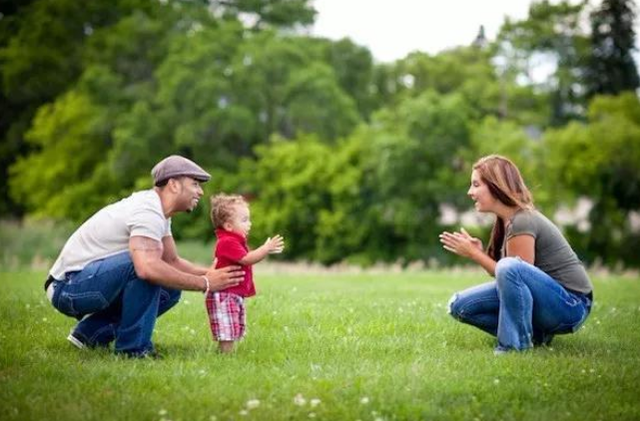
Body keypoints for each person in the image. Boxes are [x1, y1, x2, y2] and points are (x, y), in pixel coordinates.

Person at [45, 155, 245, 358]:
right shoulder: (148, 211)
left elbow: (172, 261)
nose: (200, 191)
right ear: (174, 185)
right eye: (194, 184)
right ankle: (134, 350)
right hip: (67, 287)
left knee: (170, 289)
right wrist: (205, 283)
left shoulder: (159, 213)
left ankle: (90, 334)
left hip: (84, 283)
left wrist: (214, 274)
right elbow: (146, 267)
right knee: (145, 268)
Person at [439, 154, 593, 354]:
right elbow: (510, 281)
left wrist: (475, 255)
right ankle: (535, 335)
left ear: (496, 186)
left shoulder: (522, 220)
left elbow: (515, 274)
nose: (470, 192)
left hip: (571, 305)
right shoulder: (506, 221)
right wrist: (477, 252)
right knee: (459, 305)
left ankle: (513, 346)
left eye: (476, 185)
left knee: (509, 267)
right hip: (549, 301)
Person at [206, 194, 284, 353]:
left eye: (248, 219)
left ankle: (228, 353)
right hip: (225, 294)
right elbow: (247, 259)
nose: (250, 224)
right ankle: (225, 356)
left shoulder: (234, 240)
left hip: (232, 294)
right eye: (244, 220)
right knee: (227, 329)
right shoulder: (227, 242)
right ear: (228, 225)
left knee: (234, 325)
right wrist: (265, 248)